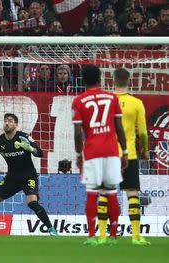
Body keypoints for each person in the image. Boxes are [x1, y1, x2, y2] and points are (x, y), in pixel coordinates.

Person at [0, 113, 58, 236]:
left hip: (28, 177)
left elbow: (40, 153)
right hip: (12, 178)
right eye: (5, 121)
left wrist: (30, 149)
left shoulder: (24, 137)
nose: (7, 123)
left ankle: (51, 229)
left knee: (31, 203)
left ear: (16, 124)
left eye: (10, 121)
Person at [72, 64, 128, 246]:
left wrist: (78, 153)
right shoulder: (112, 98)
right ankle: (113, 236)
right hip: (112, 151)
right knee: (111, 193)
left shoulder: (79, 101)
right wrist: (125, 152)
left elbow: (78, 132)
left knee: (91, 194)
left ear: (83, 80)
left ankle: (91, 236)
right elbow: (119, 128)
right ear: (100, 78)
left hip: (92, 152)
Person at [114, 68, 150, 245]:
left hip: (109, 154)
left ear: (113, 81)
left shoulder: (107, 102)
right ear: (129, 81)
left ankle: (105, 236)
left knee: (105, 194)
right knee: (133, 194)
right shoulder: (136, 103)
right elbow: (142, 132)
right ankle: (136, 236)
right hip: (130, 155)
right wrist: (146, 150)